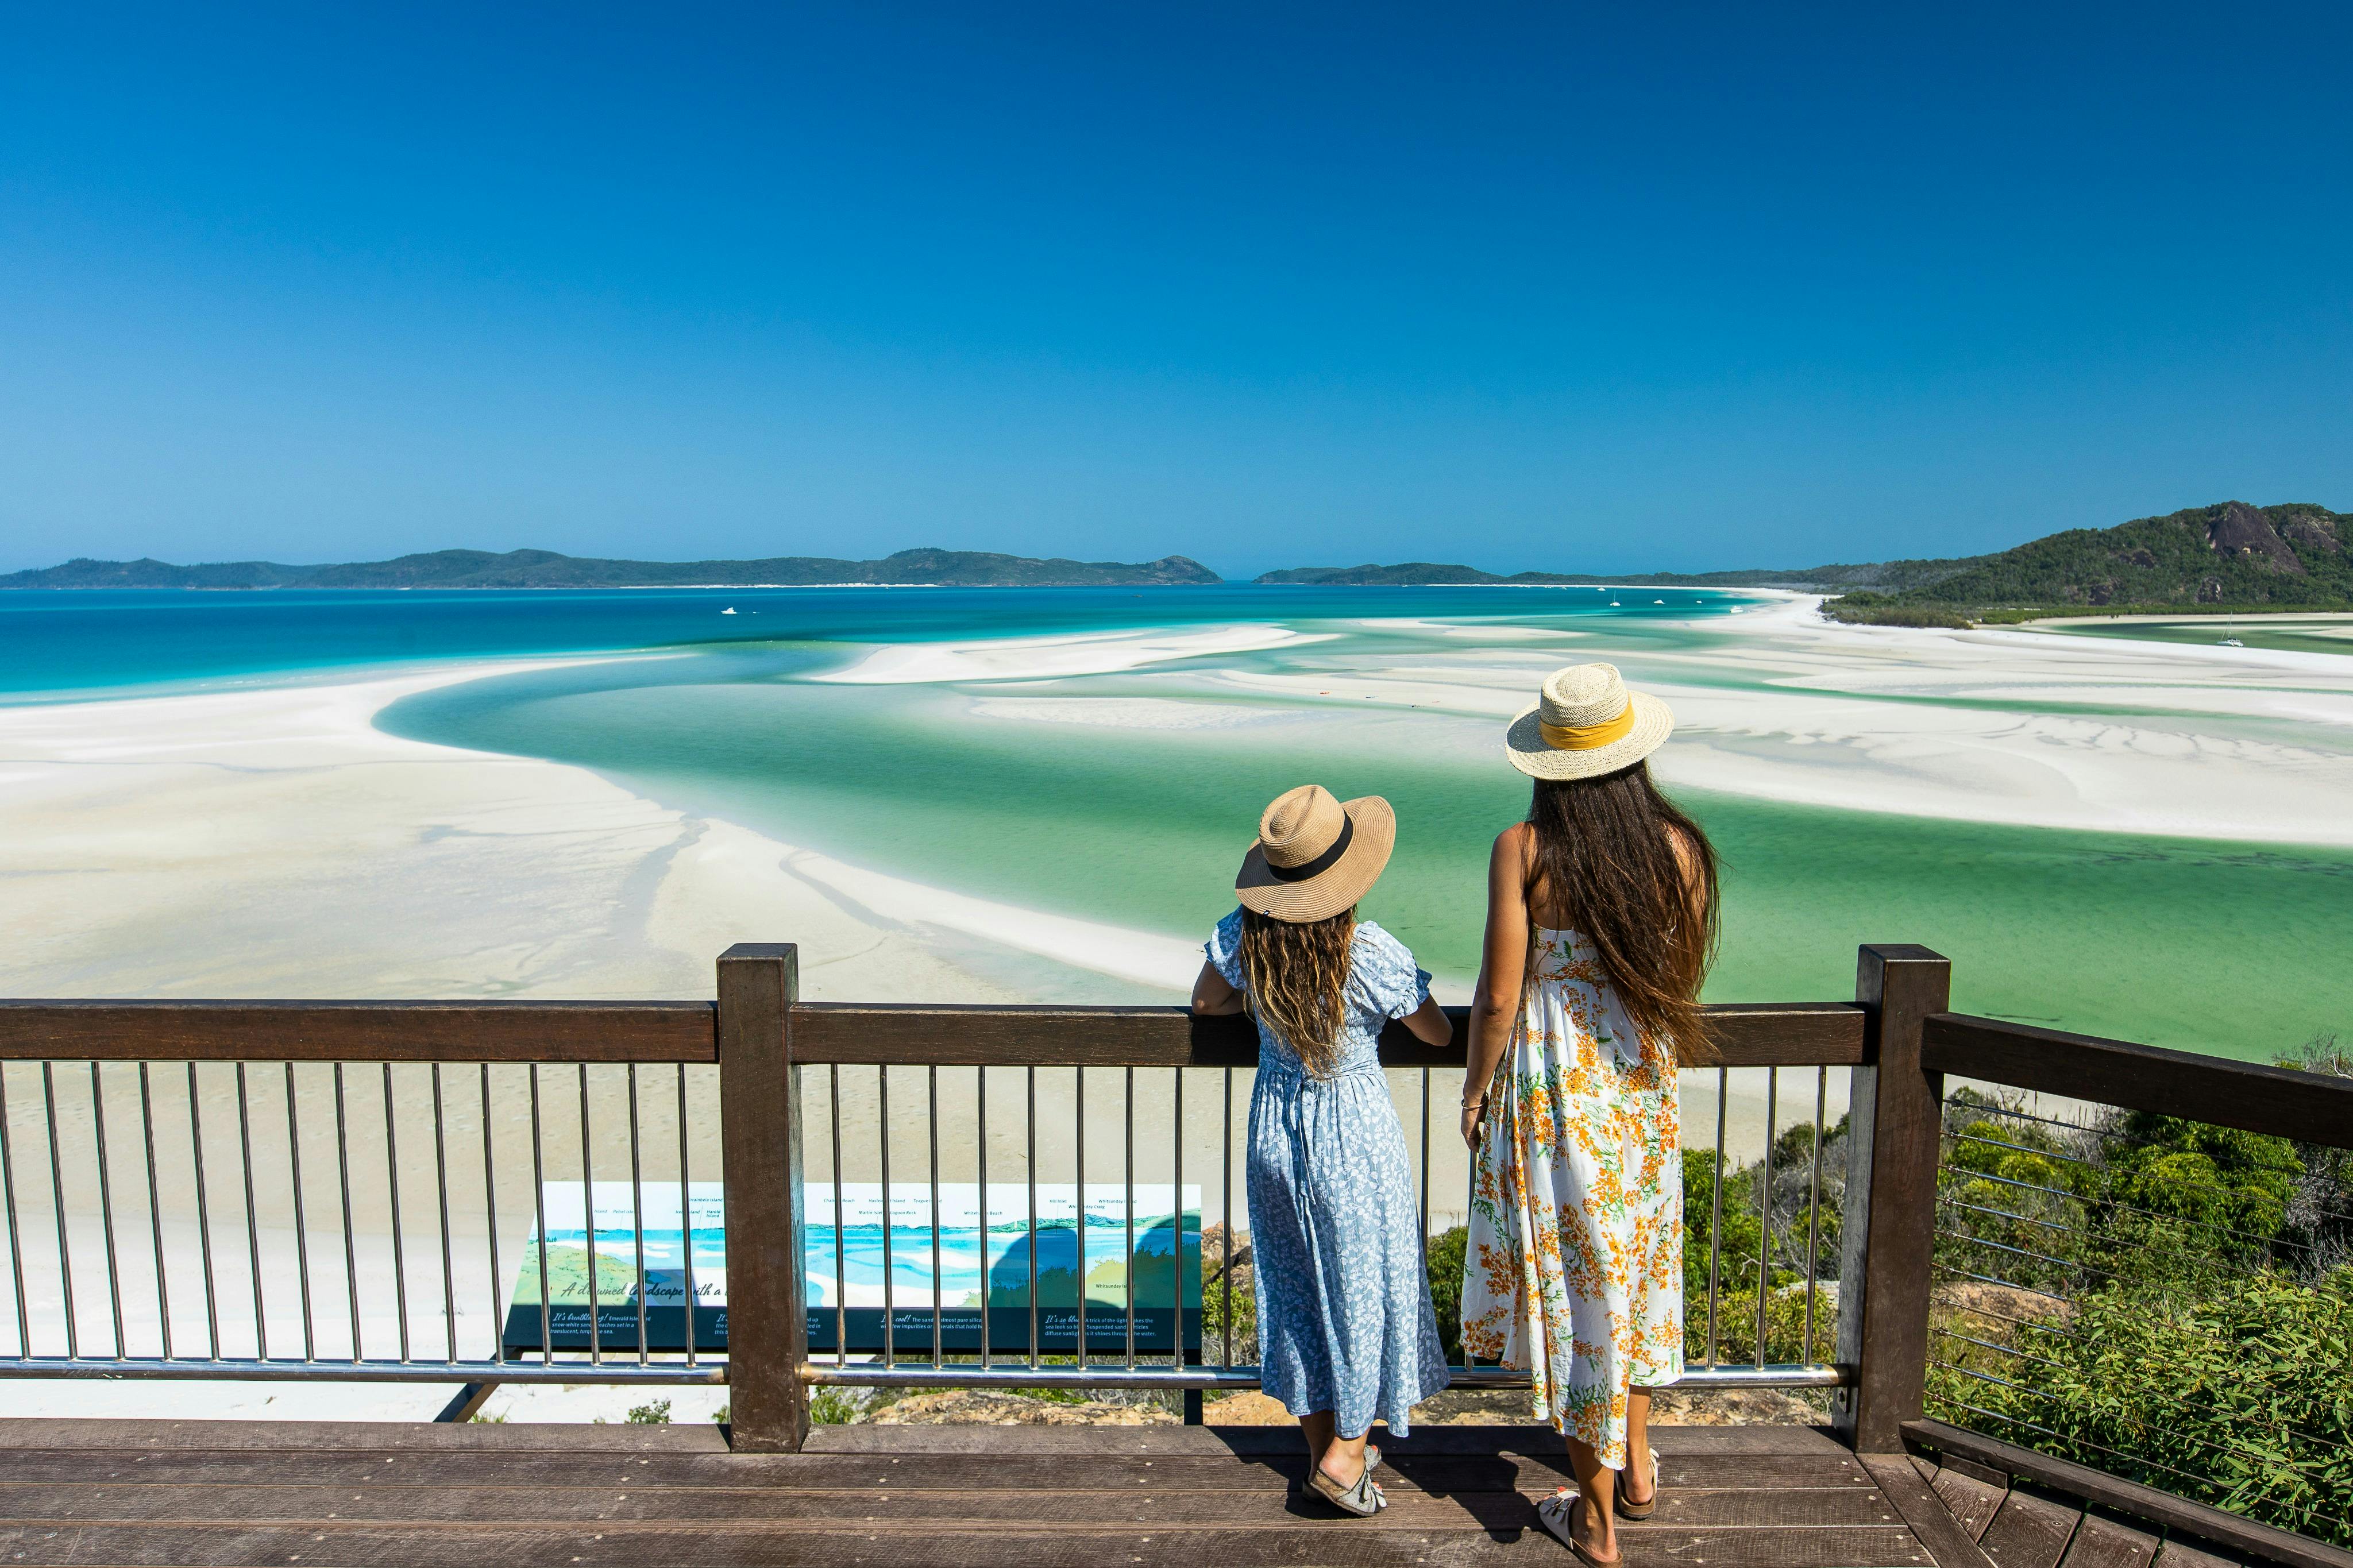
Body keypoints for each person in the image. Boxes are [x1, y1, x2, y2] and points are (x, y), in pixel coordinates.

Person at [1457, 664, 1720, 1566]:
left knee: (1579, 1293)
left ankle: (1598, 1523)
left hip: (1557, 1087)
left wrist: (1473, 1090)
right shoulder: (1681, 848)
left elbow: (1498, 996)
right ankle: (1637, 1468)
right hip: (1641, 1080)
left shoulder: (1524, 847)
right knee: (1634, 1276)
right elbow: (1677, 980)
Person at [1191, 783, 1454, 1516]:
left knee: (1296, 1284)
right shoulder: (1369, 952)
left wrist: (1267, 999)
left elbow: (1205, 1003)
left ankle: (1328, 1456)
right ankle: (1345, 1454)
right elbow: (1436, 1034)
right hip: (1354, 1131)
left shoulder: (1247, 940)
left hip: (1276, 1124)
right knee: (1363, 1287)